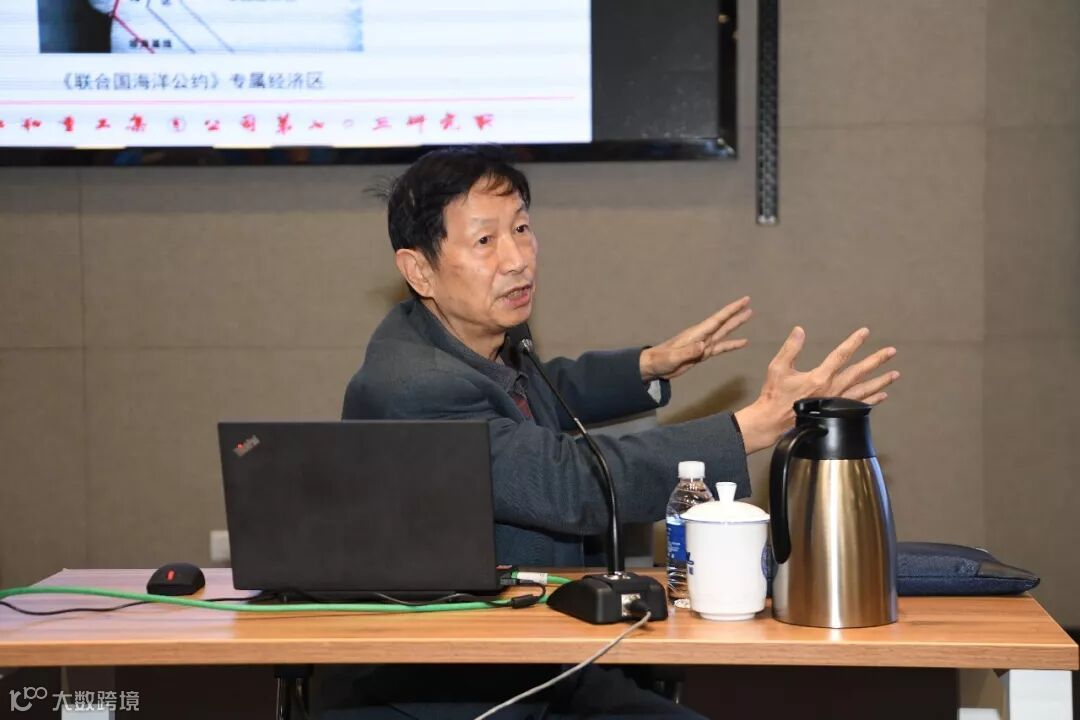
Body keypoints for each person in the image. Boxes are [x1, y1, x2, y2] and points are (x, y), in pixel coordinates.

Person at [342, 145, 898, 567]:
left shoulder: (461, 332)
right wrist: (752, 426)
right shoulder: (414, 388)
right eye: (485, 241)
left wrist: (648, 365)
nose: (517, 259)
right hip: (461, 665)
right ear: (419, 270)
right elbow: (568, 483)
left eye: (522, 228)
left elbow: (532, 395)